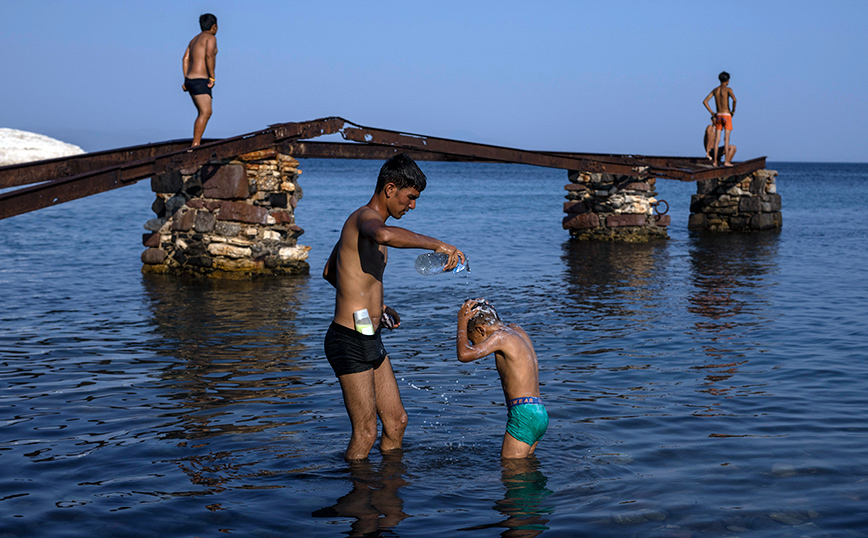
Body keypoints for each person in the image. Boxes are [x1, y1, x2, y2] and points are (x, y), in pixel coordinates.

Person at [323, 153, 465, 461]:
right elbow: (384, 234)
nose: (412, 205)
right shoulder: (364, 220)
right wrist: (439, 245)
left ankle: (389, 492)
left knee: (397, 422)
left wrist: (378, 306)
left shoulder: (371, 229)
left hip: (368, 333)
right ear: (390, 189)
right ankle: (359, 500)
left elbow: (330, 272)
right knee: (365, 432)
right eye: (410, 197)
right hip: (348, 338)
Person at [456, 299, 547, 458]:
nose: (472, 343)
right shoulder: (516, 329)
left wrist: (461, 323)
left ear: (481, 330)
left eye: (472, 339)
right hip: (538, 411)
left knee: (511, 474)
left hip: (523, 414)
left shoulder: (500, 337)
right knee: (527, 469)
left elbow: (464, 354)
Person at [182, 13, 218, 147]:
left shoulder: (193, 40)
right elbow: (209, 55)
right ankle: (195, 144)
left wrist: (185, 79)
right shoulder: (211, 38)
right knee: (206, 111)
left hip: (190, 80)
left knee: (202, 112)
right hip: (200, 79)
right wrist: (212, 77)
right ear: (214, 26)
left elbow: (185, 59)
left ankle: (196, 142)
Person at [702, 71, 737, 166]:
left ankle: (715, 162)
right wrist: (733, 110)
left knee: (717, 139)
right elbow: (734, 100)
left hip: (718, 116)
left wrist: (712, 112)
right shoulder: (728, 89)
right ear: (727, 80)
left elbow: (705, 101)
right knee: (726, 139)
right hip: (726, 115)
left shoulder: (715, 90)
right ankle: (726, 162)